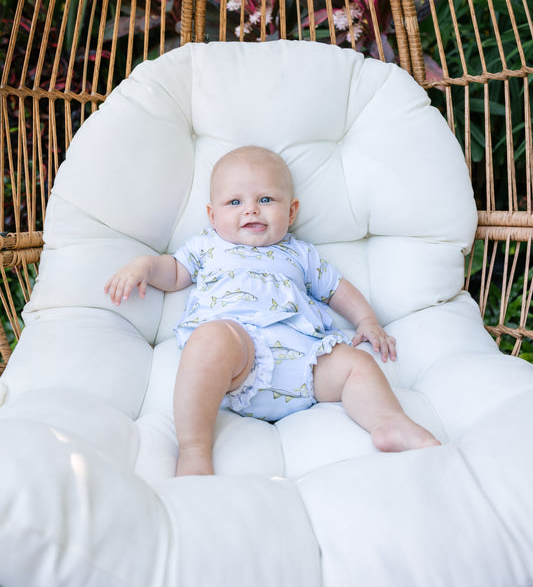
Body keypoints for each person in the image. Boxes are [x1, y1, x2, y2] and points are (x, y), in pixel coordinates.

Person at [105, 145, 440, 476]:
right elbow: (175, 272)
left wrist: (367, 320)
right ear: (212, 215)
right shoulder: (208, 246)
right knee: (211, 340)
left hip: (304, 364)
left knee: (357, 365)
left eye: (265, 199)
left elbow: (337, 289)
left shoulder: (301, 254)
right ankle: (194, 450)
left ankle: (388, 422)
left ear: (291, 212)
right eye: (235, 202)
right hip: (239, 362)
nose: (251, 210)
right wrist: (145, 266)